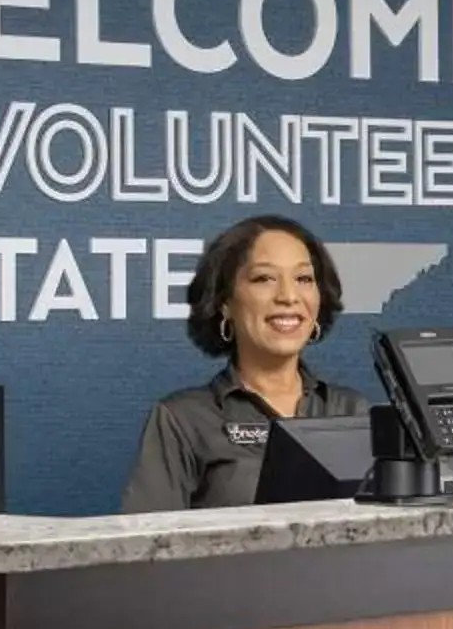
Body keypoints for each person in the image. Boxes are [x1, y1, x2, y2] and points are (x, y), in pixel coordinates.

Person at [120, 215, 367, 511]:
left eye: (303, 279)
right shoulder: (183, 420)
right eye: (264, 278)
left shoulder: (354, 411)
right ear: (225, 302)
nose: (289, 296)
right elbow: (148, 548)